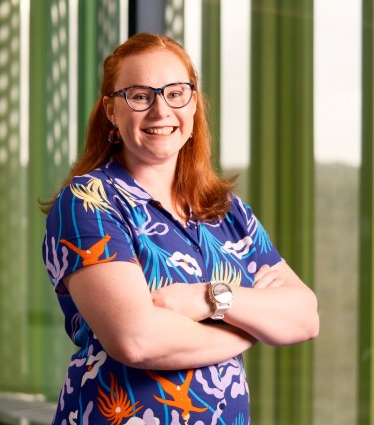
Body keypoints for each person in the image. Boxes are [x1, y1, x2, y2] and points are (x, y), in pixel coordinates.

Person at [41, 32, 319, 425]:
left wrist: (210, 298)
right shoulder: (89, 201)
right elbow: (136, 341)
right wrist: (249, 330)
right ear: (110, 111)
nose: (160, 111)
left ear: (193, 105)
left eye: (176, 93)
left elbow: (305, 316)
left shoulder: (226, 211)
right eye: (140, 95)